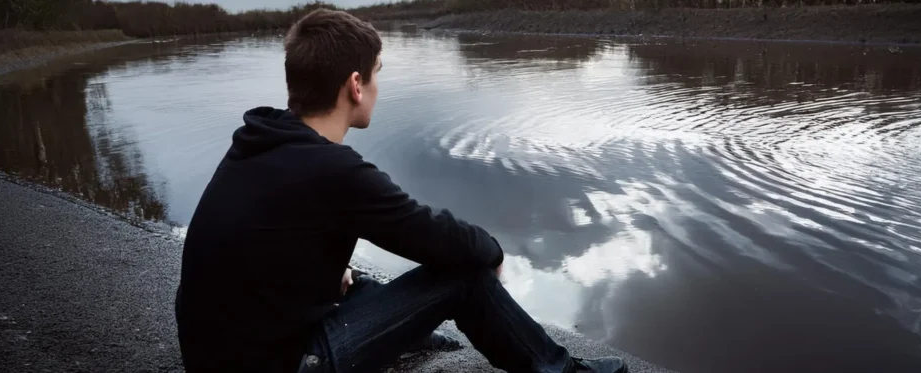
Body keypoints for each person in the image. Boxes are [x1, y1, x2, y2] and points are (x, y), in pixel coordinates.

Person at [174, 8, 628, 373]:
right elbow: (432, 234)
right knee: (464, 275)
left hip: (212, 356)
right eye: (376, 72)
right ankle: (559, 369)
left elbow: (265, 241)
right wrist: (492, 251)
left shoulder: (261, 138)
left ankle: (405, 334)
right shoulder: (332, 169)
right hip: (282, 363)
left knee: (355, 280)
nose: (376, 85)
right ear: (355, 85)